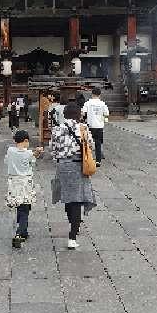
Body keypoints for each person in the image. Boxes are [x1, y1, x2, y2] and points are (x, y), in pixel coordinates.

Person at [50, 102, 96, 250]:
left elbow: (53, 149)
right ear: (78, 114)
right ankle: (73, 235)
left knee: (68, 198)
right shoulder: (83, 128)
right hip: (78, 166)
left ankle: (72, 223)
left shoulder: (57, 129)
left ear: (65, 114)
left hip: (63, 165)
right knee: (77, 199)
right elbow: (91, 146)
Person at [5, 129, 43, 249]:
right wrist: (37, 152)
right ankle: (19, 233)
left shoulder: (10, 151)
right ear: (26, 140)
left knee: (19, 207)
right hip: (25, 183)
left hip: (13, 182)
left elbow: (7, 161)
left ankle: (24, 231)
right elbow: (32, 161)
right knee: (25, 208)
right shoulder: (28, 153)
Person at [82, 87, 110, 166]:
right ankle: (98, 160)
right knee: (98, 143)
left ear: (92, 94)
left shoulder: (88, 103)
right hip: (99, 126)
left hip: (90, 125)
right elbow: (107, 114)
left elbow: (83, 113)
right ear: (99, 95)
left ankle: (89, 159)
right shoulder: (102, 103)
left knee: (88, 143)